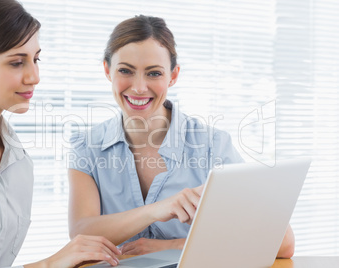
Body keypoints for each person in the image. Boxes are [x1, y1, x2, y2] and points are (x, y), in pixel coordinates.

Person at [67, 15, 295, 258]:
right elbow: (81, 233)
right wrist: (157, 210)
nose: (139, 87)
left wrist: (175, 246)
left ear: (173, 76)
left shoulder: (212, 146)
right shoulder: (86, 147)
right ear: (107, 70)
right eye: (126, 71)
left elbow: (283, 242)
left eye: (154, 73)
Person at [0, 0, 121, 267]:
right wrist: (48, 264)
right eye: (16, 63)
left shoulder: (19, 160)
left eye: (36, 59)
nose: (34, 76)